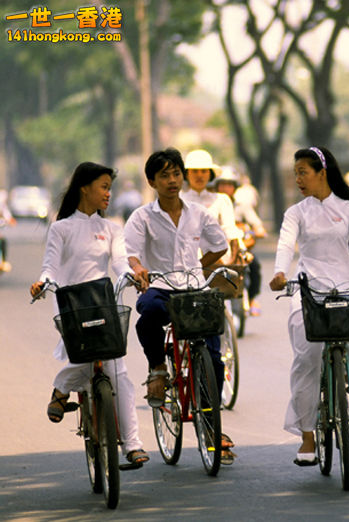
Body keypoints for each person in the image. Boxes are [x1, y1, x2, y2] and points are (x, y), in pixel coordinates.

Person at [269, 146, 349, 466]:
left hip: (345, 281)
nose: (298, 179)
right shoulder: (296, 212)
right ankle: (307, 436)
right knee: (307, 357)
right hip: (309, 286)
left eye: (303, 172)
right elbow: (285, 245)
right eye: (295, 173)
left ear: (321, 173)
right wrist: (280, 273)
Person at [30, 162, 149, 466]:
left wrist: (131, 275)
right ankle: (63, 388)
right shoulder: (61, 228)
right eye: (104, 187)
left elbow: (120, 263)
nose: (109, 193)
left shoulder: (111, 229)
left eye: (110, 188)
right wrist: (43, 283)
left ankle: (132, 444)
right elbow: (50, 267)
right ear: (85, 188)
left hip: (102, 304)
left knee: (119, 373)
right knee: (92, 359)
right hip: (71, 307)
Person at [123, 148, 237, 464]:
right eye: (165, 175)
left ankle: (212, 426)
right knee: (148, 312)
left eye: (176, 174)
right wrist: (138, 268)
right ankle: (158, 368)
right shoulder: (142, 216)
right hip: (161, 288)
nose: (172, 180)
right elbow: (130, 252)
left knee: (214, 360)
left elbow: (220, 245)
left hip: (194, 289)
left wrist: (198, 266)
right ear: (152, 181)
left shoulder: (199, 213)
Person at [215, 167, 264, 316]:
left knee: (254, 265)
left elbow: (256, 225)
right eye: (222, 184)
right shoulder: (212, 203)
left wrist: (258, 230)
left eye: (229, 184)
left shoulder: (242, 206)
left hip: (237, 247)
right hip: (216, 249)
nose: (225, 188)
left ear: (235, 187)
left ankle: (252, 298)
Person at [181, 149, 242, 265]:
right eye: (195, 171)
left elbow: (230, 231)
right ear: (187, 174)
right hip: (184, 260)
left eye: (204, 171)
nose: (199, 175)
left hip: (218, 260)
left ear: (210, 174)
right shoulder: (178, 199)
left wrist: (232, 262)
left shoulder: (221, 200)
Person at [0, 189, 17, 272]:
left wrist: (10, 221)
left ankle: (3, 261)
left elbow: (9, 217)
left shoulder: (3, 207)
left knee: (2, 241)